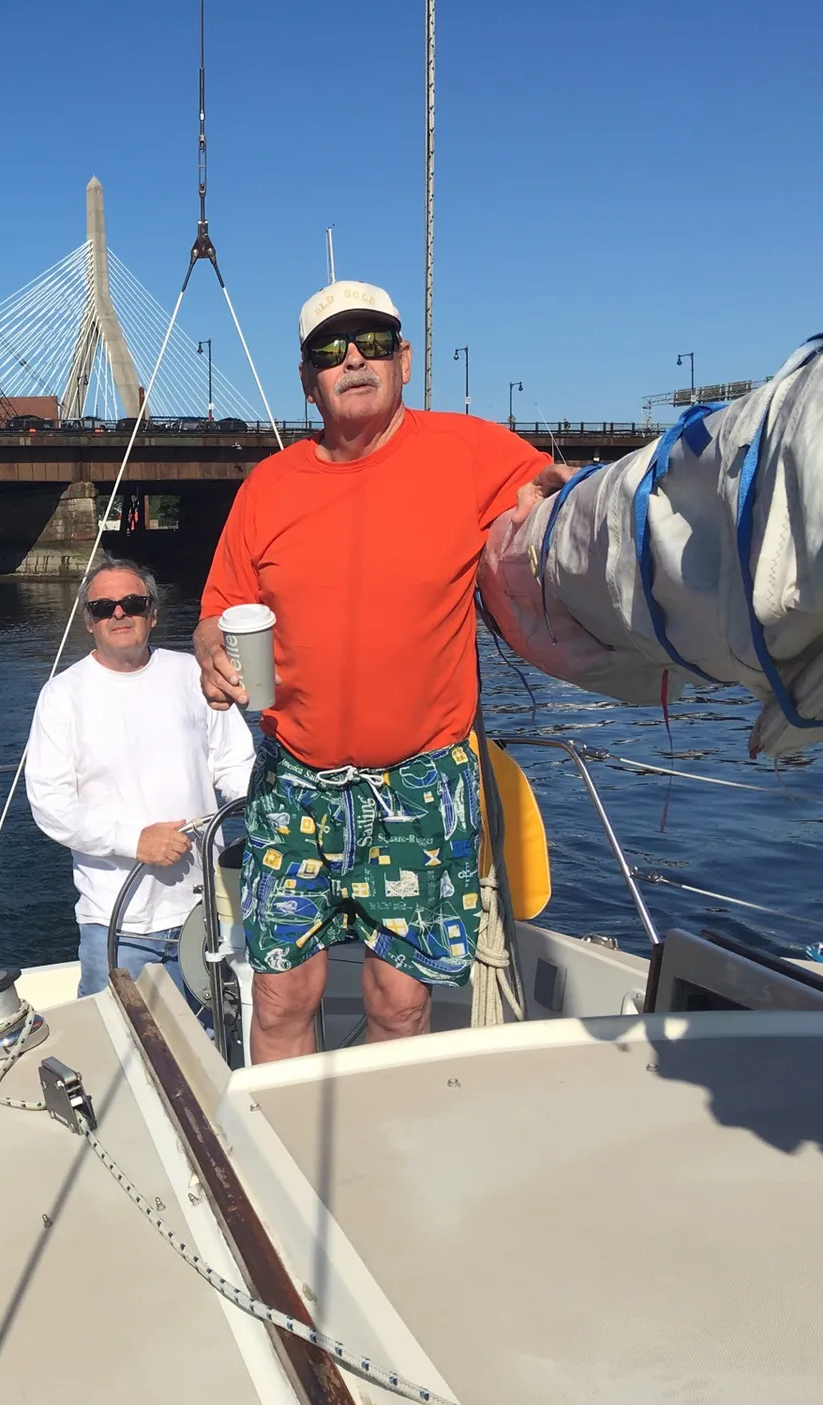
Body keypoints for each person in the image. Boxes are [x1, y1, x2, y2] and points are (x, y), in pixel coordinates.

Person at [194, 280, 569, 1061]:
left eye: (370, 340)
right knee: (278, 998)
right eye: (331, 349)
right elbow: (220, 609)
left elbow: (557, 502)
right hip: (297, 782)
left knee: (399, 1006)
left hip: (421, 785)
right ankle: (282, 1159)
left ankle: (388, 1159)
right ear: (307, 381)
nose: (352, 358)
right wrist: (208, 650)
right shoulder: (269, 487)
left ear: (403, 359)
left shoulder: (469, 451)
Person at [28, 556, 254, 999]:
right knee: (120, 1046)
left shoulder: (193, 673)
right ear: (88, 622)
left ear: (152, 613)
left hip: (207, 910)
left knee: (216, 1038)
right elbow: (51, 807)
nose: (118, 613)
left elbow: (235, 763)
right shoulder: (61, 697)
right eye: (103, 607)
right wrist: (135, 841)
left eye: (132, 602)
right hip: (117, 922)